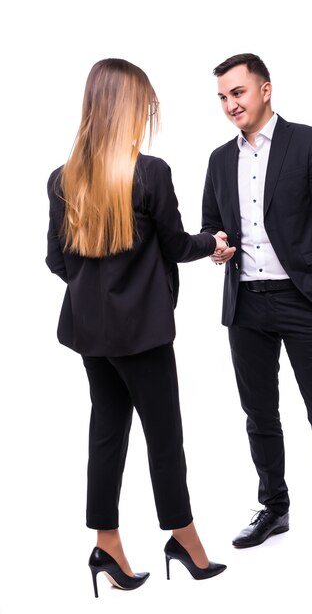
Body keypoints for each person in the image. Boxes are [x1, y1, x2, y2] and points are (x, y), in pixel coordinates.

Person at [46, 58, 227, 597]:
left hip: (89, 334)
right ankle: (184, 538)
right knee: (164, 438)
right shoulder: (149, 173)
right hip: (142, 336)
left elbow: (57, 261)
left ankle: (107, 544)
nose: (149, 113)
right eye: (145, 104)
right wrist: (213, 245)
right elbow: (176, 244)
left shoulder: (63, 179)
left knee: (106, 434)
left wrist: (95, 287)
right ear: (126, 108)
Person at [201, 53, 312, 566]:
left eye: (239, 92)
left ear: (265, 90)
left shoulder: (310, 141)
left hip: (304, 300)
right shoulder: (219, 160)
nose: (231, 104)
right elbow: (211, 225)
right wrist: (217, 244)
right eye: (223, 96)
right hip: (245, 303)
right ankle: (275, 506)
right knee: (259, 415)